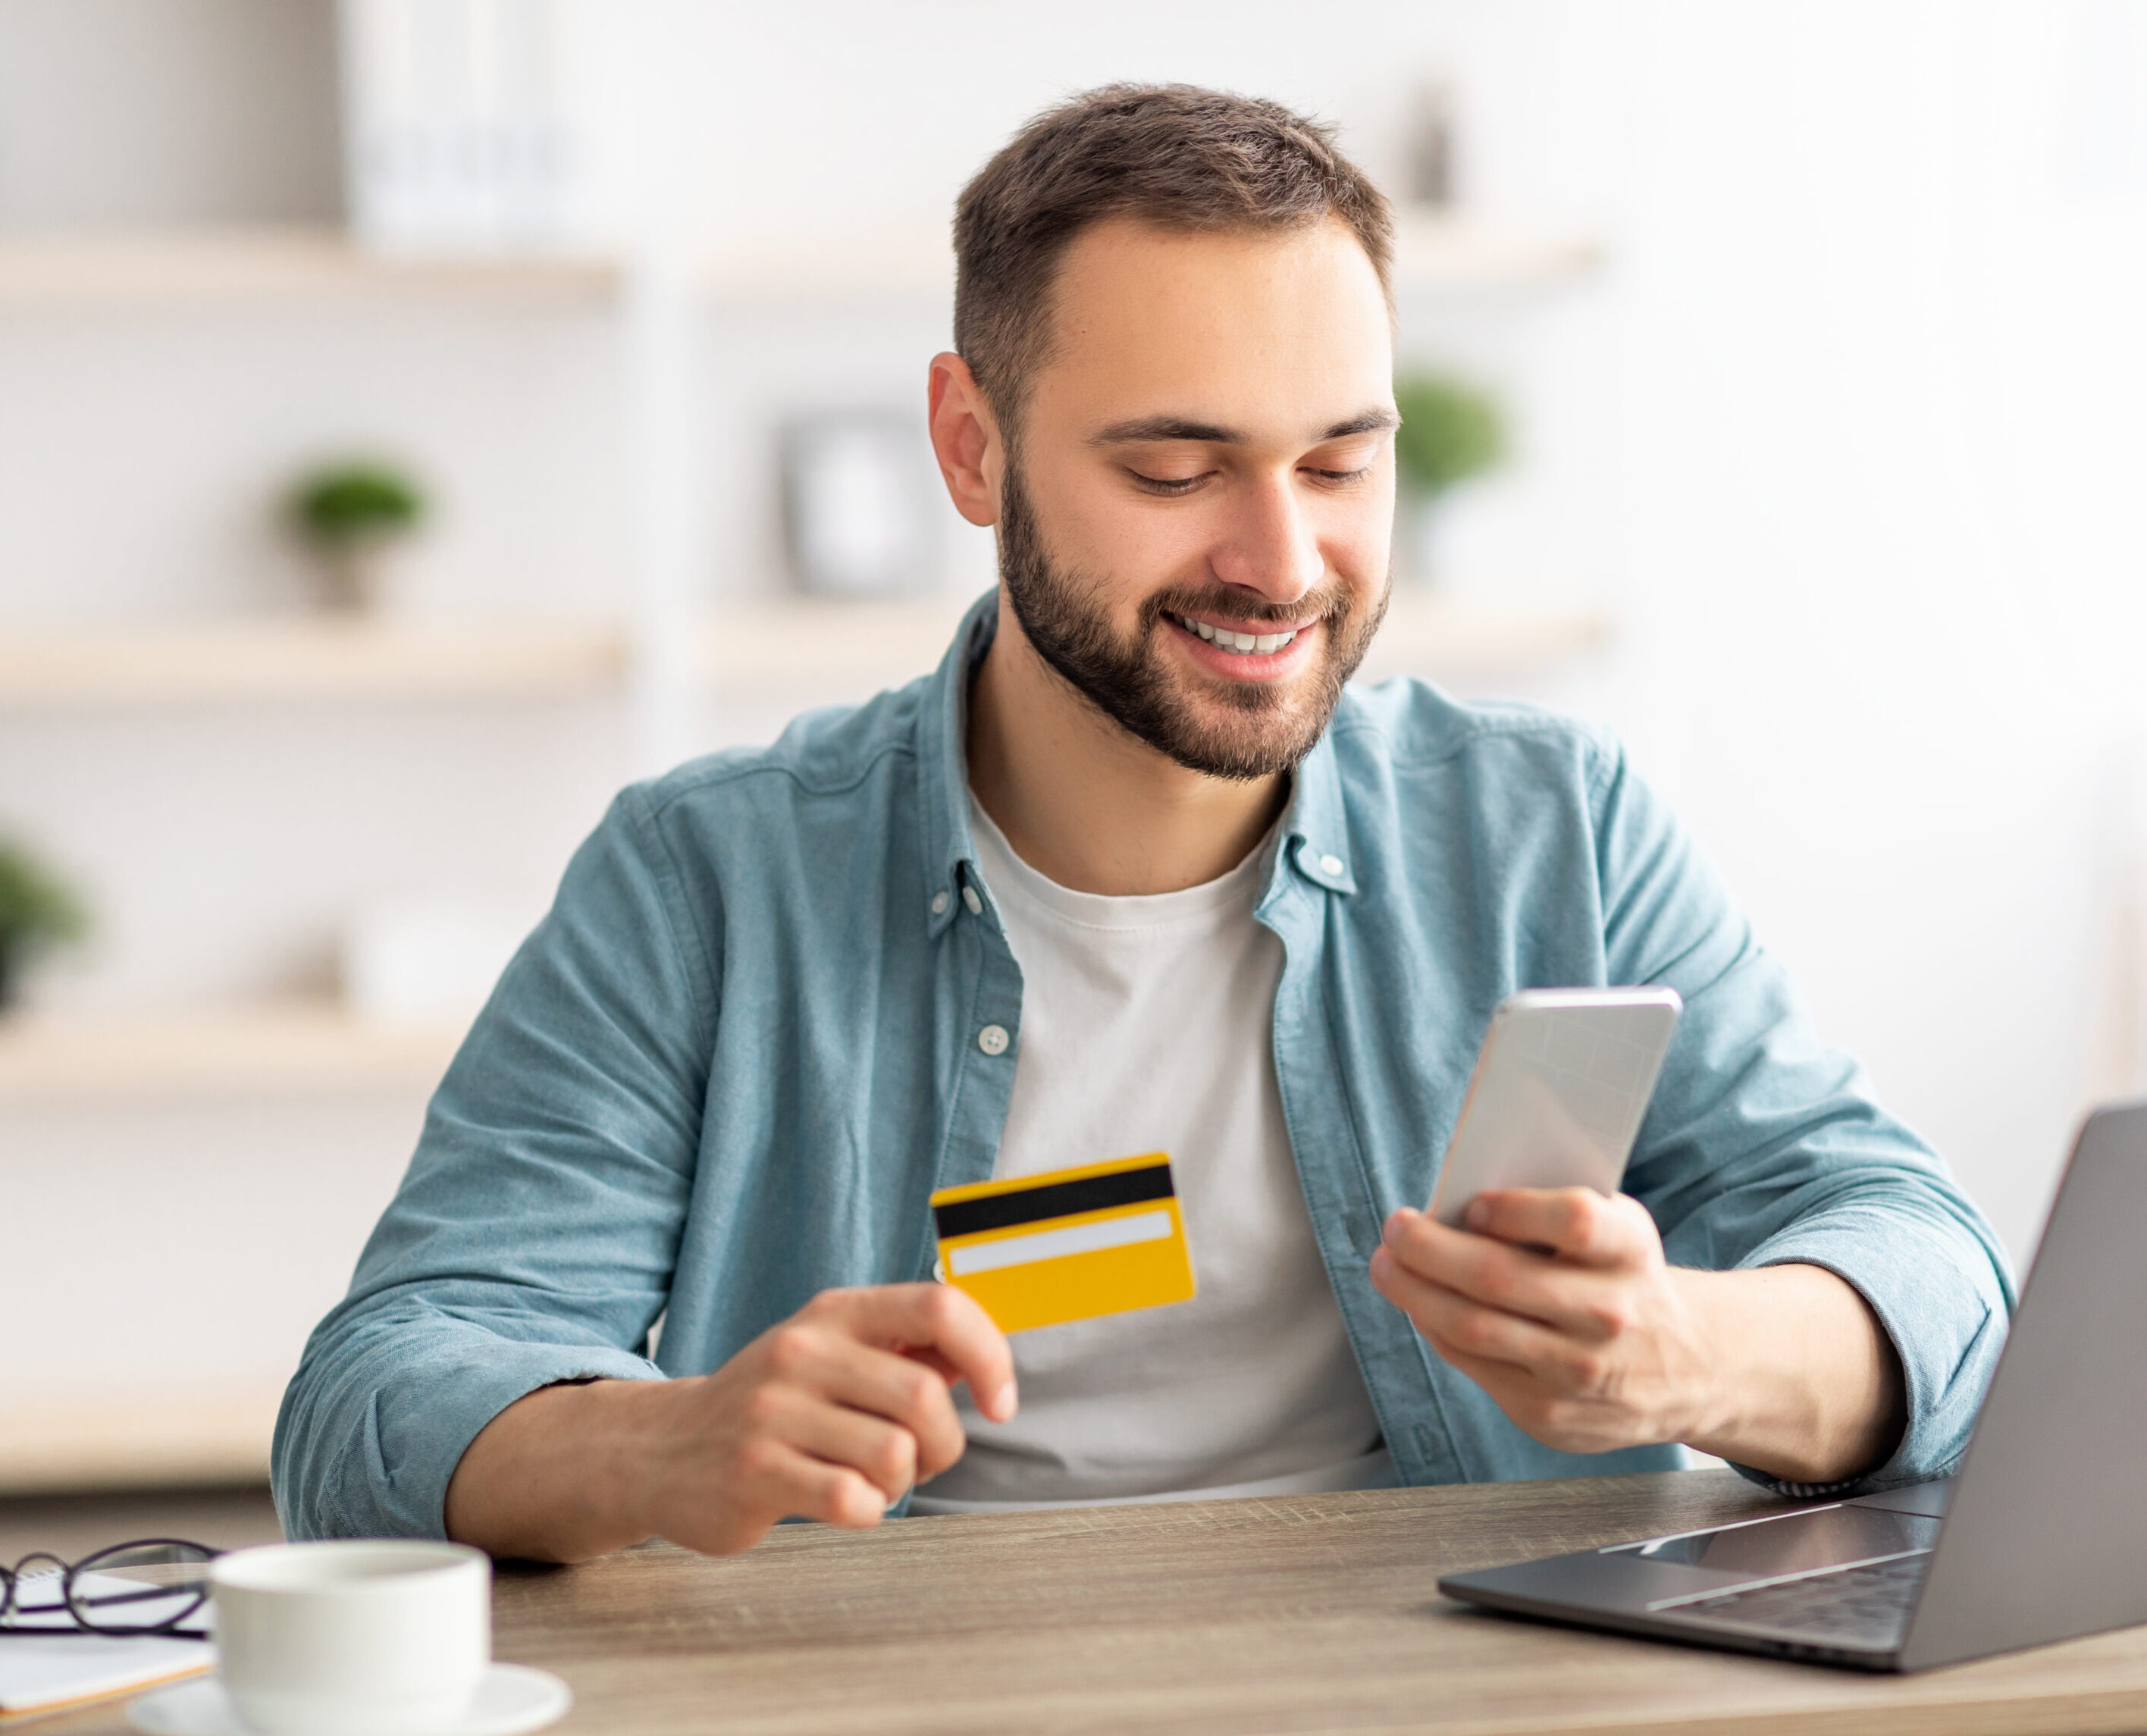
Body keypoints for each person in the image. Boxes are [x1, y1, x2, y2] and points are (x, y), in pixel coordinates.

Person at [275, 84, 2013, 1561]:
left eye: (1340, 463)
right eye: (1175, 472)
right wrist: (652, 1441)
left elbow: (1934, 1272)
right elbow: (373, 1391)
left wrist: (1690, 1350)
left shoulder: (1551, 824)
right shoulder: (710, 880)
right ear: (972, 446)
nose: (1279, 560)